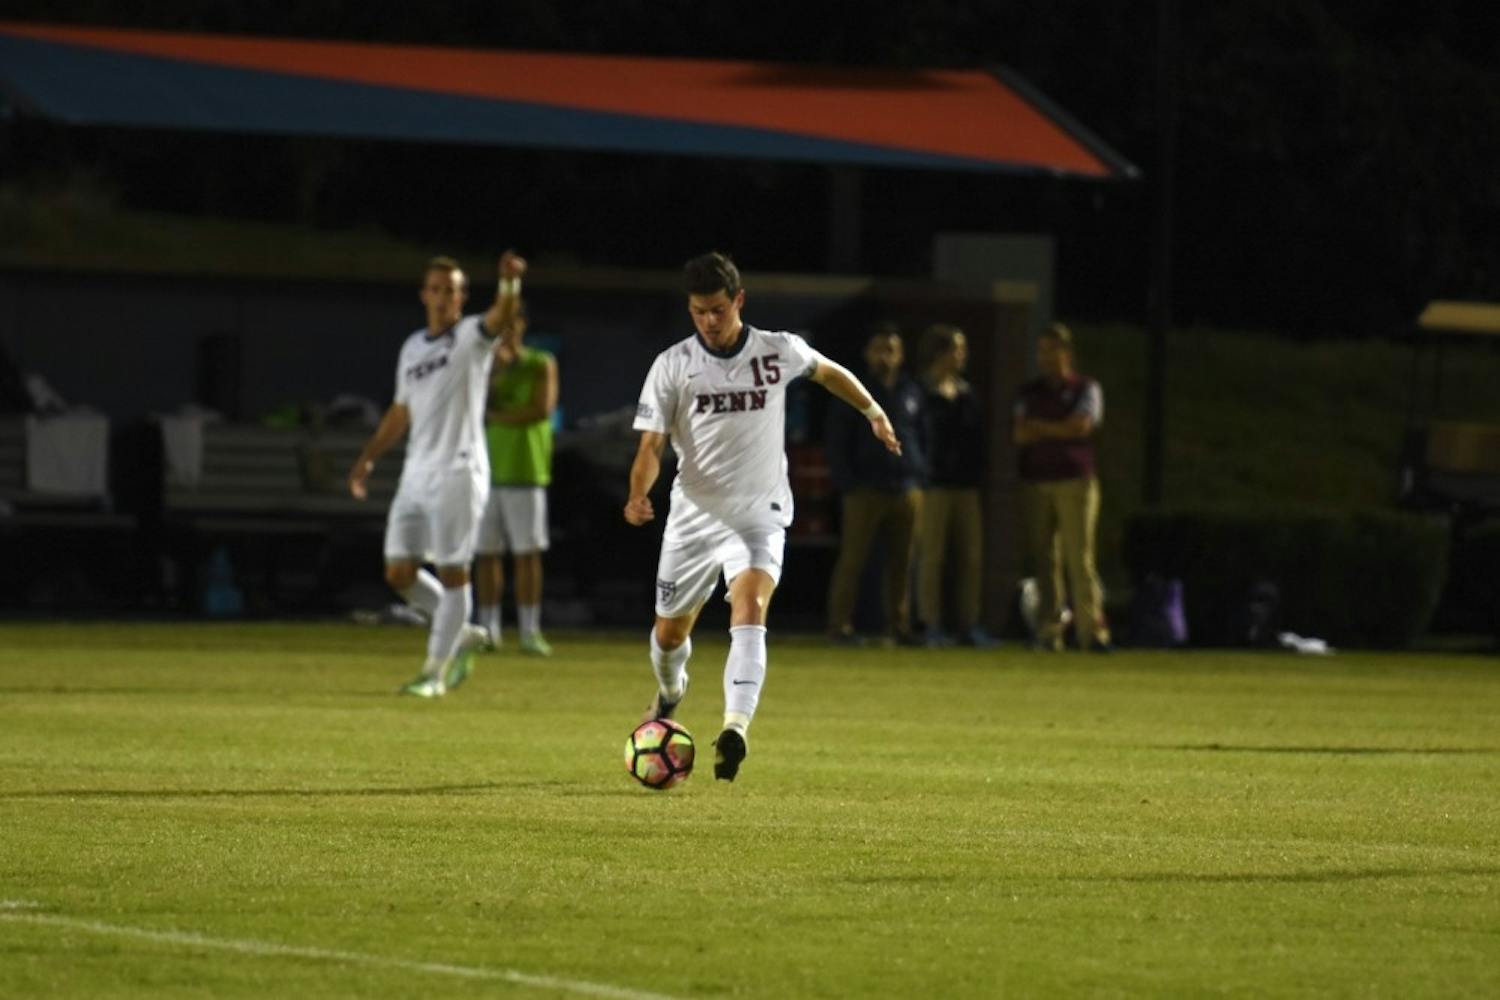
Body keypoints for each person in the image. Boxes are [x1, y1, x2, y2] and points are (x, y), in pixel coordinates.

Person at [625, 252, 901, 782]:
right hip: (692, 516)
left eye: (719, 310)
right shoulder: (673, 365)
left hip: (759, 513)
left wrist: (873, 412)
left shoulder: (777, 350)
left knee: (750, 607)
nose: (709, 321)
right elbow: (650, 446)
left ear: (739, 302)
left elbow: (829, 372)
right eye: (699, 311)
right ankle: (670, 691)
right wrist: (639, 495)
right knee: (667, 636)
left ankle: (735, 728)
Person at [348, 251, 527, 696]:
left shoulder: (470, 337)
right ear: (424, 294)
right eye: (437, 289)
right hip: (416, 472)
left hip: (460, 471)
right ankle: (460, 631)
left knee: (453, 573)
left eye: (452, 290)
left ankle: (434, 673)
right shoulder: (412, 347)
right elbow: (400, 409)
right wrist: (368, 457)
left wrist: (508, 285)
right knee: (398, 572)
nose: (444, 297)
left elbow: (500, 315)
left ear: (462, 296)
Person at [823, 324, 928, 646]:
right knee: (853, 559)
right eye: (879, 348)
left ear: (901, 355)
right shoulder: (854, 388)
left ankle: (899, 625)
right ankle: (839, 625)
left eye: (891, 349)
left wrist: (921, 470)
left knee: (903, 561)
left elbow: (923, 433)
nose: (885, 356)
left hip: (906, 486)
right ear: (868, 354)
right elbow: (837, 438)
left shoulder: (911, 390)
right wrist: (848, 482)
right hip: (865, 488)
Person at [1013, 322, 1113, 652]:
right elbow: (1021, 434)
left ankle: (1091, 632)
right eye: (1040, 350)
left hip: (1075, 482)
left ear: (1066, 353)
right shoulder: (1029, 392)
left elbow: (1082, 426)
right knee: (1045, 560)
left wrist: (1043, 427)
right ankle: (1049, 631)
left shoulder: (1086, 388)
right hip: (1037, 482)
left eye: (1051, 350)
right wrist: (1060, 428)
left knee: (1079, 559)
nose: (1044, 357)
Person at [473, 296, 559, 656]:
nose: (507, 332)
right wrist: (495, 371)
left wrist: (497, 415)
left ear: (523, 325)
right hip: (485, 470)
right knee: (486, 553)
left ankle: (528, 630)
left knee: (527, 554)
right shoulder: (484, 364)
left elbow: (541, 410)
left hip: (526, 469)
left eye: (513, 324)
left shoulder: (541, 362)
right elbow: (475, 406)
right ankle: (488, 629)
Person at [916, 323, 996, 648]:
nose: (963, 356)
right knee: (931, 556)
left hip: (966, 486)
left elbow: (977, 439)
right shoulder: (921, 392)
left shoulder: (966, 393)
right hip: (933, 485)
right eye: (957, 349)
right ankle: (929, 623)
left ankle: (968, 623)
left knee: (970, 557)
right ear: (941, 352)